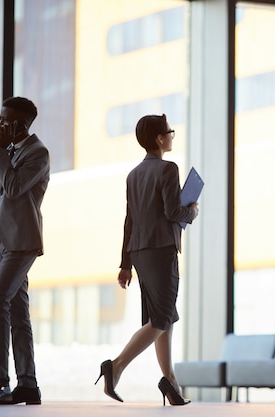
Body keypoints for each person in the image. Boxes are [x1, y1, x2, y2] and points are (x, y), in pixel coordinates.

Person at [96, 114, 199, 406]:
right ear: (159, 139)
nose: (170, 136)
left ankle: (170, 381)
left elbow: (129, 221)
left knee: (164, 316)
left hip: (139, 252)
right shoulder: (168, 169)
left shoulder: (133, 175)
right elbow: (173, 213)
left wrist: (125, 263)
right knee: (161, 319)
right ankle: (115, 367)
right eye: (169, 132)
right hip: (161, 249)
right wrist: (191, 210)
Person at [0, 97, 49, 405]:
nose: (0, 126)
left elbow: (15, 189)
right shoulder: (7, 154)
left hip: (24, 242)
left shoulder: (38, 153)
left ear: (22, 125)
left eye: (6, 121)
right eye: (0, 119)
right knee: (18, 312)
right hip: (4, 246)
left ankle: (0, 380)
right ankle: (28, 384)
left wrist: (2, 152)